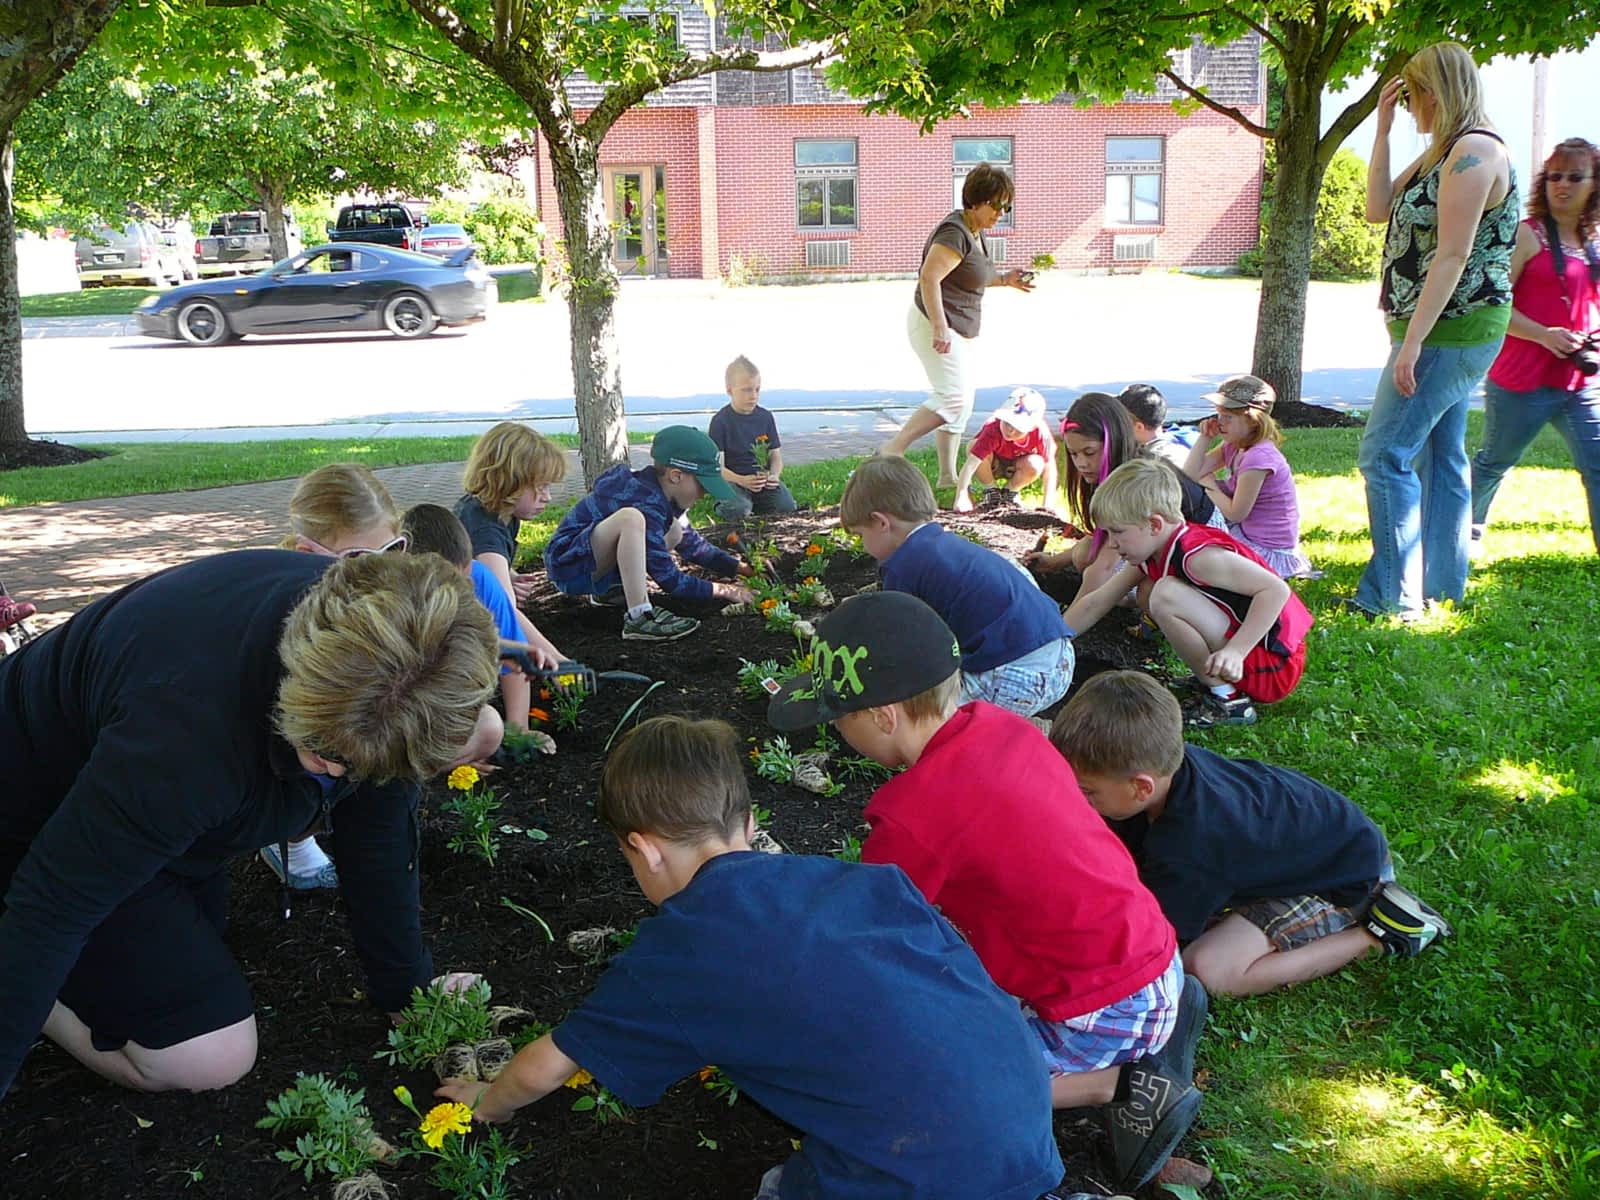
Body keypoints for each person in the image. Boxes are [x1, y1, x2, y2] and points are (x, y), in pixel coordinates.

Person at [436, 715, 1066, 1200]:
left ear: (644, 850)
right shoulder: (856, 881)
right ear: (748, 820)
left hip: (928, 1173)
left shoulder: (684, 951)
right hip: (1026, 1116)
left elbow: (550, 1063)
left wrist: (487, 1102)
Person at [0, 551, 503, 1100]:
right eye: (322, 751)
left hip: (149, 817)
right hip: (31, 817)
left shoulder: (389, 649)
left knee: (191, 955)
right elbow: (51, 911)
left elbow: (378, 835)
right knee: (206, 1054)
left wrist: (405, 993)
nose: (338, 773)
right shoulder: (186, 735)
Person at [766, 593, 1205, 1193]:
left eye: (838, 718)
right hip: (1148, 959)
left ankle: (1119, 1086)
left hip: (1101, 1008)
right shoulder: (1006, 729)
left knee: (935, 1083)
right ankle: (1157, 1032)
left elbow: (861, 940)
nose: (838, 732)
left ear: (883, 716)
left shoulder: (915, 817)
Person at [1050, 671, 1453, 995]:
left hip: (1342, 877)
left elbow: (1149, 945)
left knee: (1209, 969)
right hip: (1299, 842)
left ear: (1142, 787)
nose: (1075, 800)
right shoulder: (1160, 775)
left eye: (1086, 792)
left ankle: (1383, 932)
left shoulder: (1192, 847)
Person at [1355, 41, 1518, 619]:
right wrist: (1382, 129)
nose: (1410, 102)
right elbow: (1378, 208)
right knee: (1440, 455)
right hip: (1435, 327)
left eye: (1412, 90)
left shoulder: (1475, 151)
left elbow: (1452, 255)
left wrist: (1414, 344)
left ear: (1435, 90)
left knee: (1384, 455)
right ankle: (1442, 588)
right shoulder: (1442, 154)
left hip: (1452, 329)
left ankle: (1389, 599)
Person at [1062, 459, 1313, 729]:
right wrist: (1053, 639)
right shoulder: (1153, 551)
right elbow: (1099, 600)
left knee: (1165, 594)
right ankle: (1218, 683)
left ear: (1154, 525)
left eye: (1117, 532)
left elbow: (1275, 590)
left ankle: (1229, 701)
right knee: (1155, 593)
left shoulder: (1198, 557)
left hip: (1273, 667)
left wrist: (1236, 652)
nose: (1111, 542)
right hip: (1248, 656)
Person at [267, 462, 414, 890]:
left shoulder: (377, 592)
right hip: (287, 736)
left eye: (393, 550)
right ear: (305, 554)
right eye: (357, 559)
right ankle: (292, 835)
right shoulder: (291, 607)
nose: (378, 571)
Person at [840, 456, 1074, 717]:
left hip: (1017, 674)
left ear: (882, 522)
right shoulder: (947, 546)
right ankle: (1018, 727)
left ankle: (1005, 737)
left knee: (927, 716)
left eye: (861, 535)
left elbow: (901, 643)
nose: (863, 545)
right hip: (1059, 656)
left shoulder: (903, 565)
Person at [1471, 137, 1600, 554]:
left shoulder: (1594, 240)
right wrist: (1544, 335)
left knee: (1597, 466)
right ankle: (1462, 534)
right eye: (1554, 176)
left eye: (1575, 177)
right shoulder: (1528, 235)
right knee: (1495, 461)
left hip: (1582, 379)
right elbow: (1494, 306)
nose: (1562, 185)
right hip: (1522, 379)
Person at [879, 163, 1036, 485]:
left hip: (957, 328)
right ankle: (892, 450)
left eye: (1006, 206)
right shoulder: (955, 232)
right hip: (934, 323)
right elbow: (929, 277)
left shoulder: (975, 232)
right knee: (953, 397)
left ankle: (948, 478)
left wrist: (1006, 279)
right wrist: (939, 326)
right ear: (975, 200)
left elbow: (974, 275)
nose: (1001, 213)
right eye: (996, 204)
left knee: (962, 403)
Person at [543, 426, 755, 642]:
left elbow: (694, 546)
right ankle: (639, 616)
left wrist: (741, 569)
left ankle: (610, 590)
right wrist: (725, 590)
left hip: (591, 563)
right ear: (676, 476)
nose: (704, 495)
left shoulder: (659, 493)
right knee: (631, 518)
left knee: (675, 530)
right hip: (569, 566)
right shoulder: (645, 502)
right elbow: (670, 579)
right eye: (702, 487)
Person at [1024, 393, 1219, 603]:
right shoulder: (1117, 469)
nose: (1081, 463)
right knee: (1084, 553)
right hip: (1165, 545)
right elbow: (1104, 542)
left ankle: (1135, 613)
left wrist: (1065, 626)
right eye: (1073, 454)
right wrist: (1053, 563)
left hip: (1202, 554)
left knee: (1148, 593)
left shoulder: (1132, 483)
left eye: (1089, 452)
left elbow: (1105, 567)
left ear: (1113, 442)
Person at [402, 503, 551, 750]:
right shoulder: (394, 599)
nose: (463, 591)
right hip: (410, 708)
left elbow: (514, 662)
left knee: (489, 727)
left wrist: (518, 731)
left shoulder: (481, 579)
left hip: (460, 702)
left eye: (465, 580)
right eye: (450, 584)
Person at [454, 421, 569, 667]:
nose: (547, 497)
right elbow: (504, 612)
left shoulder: (494, 511)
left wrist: (507, 573)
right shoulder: (486, 530)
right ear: (510, 482)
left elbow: (481, 561)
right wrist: (558, 661)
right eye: (541, 487)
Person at [1185, 376, 1314, 578]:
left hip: (1266, 549)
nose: (1220, 423)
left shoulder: (1258, 457)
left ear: (1254, 421)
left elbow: (1235, 513)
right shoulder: (1234, 445)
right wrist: (1205, 438)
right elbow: (1190, 475)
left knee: (1197, 525)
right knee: (1191, 506)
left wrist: (1209, 485)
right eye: (1219, 415)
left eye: (1228, 417)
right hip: (1246, 532)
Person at [707, 354, 798, 522]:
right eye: (746, 390)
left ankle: (757, 505)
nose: (753, 396)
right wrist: (741, 480)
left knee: (787, 507)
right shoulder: (720, 421)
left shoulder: (765, 417)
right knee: (738, 508)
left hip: (762, 481)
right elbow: (717, 468)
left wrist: (774, 475)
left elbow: (775, 457)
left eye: (757, 389)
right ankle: (725, 504)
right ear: (729, 390)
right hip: (733, 480)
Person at [951, 386, 1059, 512]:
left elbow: (1049, 469)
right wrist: (961, 497)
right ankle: (992, 491)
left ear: (1031, 427)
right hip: (993, 464)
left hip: (1017, 466)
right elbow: (971, 464)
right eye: (1007, 423)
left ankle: (1010, 492)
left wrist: (1048, 503)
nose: (1010, 430)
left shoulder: (1040, 432)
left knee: (1036, 463)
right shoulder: (993, 428)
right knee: (973, 446)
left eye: (1018, 427)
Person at [1117, 384, 1193, 469]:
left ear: (1139, 427)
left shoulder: (1151, 465)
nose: (1118, 425)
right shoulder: (1179, 449)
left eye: (1121, 420)